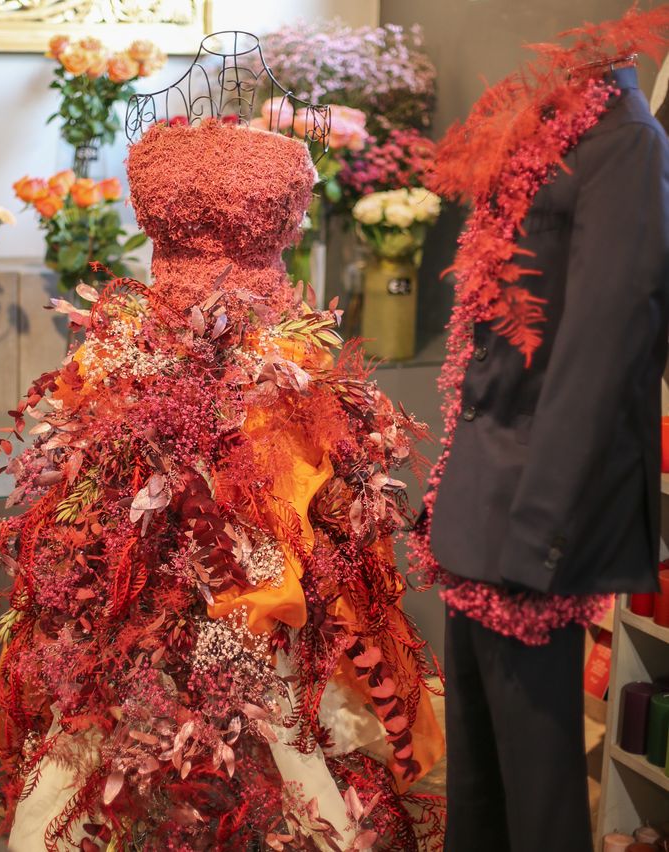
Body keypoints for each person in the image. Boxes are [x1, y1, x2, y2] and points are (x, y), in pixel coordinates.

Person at [0, 33, 445, 851]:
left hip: (263, 379)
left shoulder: (230, 122)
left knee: (261, 568)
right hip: (161, 366)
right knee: (132, 589)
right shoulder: (181, 116)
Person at [411, 9, 669, 852]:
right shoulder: (545, 130)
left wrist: (542, 532)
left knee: (539, 787)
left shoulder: (625, 141)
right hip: (481, 498)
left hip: (533, 512)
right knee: (477, 784)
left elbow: (604, 349)